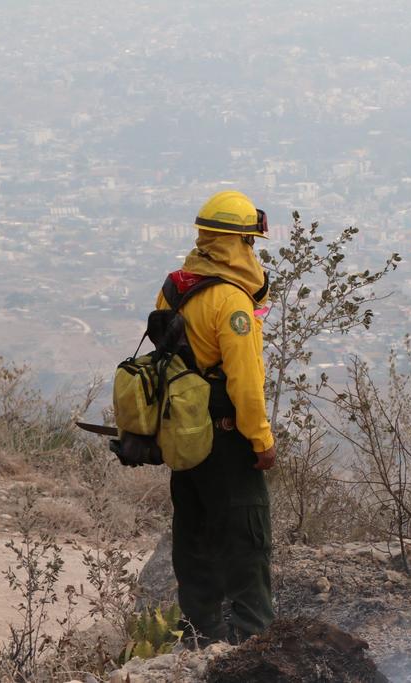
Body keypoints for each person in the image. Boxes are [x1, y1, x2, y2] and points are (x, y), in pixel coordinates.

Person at [155, 190, 277, 645]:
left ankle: (198, 636)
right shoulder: (232, 302)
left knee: (194, 535)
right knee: (248, 539)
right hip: (227, 439)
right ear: (239, 243)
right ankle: (254, 643)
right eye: (250, 243)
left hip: (183, 436)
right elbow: (245, 383)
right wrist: (260, 440)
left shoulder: (173, 288)